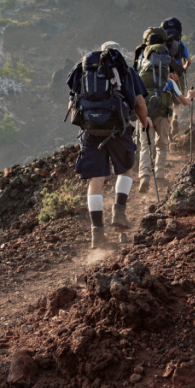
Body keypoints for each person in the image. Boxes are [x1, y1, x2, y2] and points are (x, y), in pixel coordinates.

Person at [67, 42, 150, 248]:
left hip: (91, 132)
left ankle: (97, 234)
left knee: (96, 180)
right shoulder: (126, 71)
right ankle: (119, 213)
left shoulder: (83, 70)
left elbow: (72, 104)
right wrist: (145, 124)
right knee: (125, 171)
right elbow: (139, 104)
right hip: (118, 129)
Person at [135, 29, 195, 192]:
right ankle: (160, 176)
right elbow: (184, 103)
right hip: (162, 116)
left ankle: (144, 176)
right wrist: (191, 95)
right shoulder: (169, 82)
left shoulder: (140, 77)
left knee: (146, 145)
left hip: (145, 115)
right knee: (162, 145)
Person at [161, 17, 192, 134]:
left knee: (167, 102)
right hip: (177, 75)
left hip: (165, 75)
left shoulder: (162, 44)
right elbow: (189, 61)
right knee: (177, 102)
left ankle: (167, 125)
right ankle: (176, 119)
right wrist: (183, 69)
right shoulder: (181, 44)